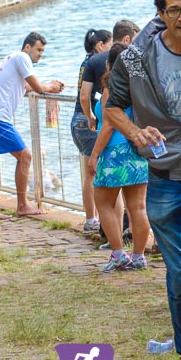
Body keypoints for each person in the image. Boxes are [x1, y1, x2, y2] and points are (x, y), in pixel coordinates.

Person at [105, 0, 181, 360]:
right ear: (160, 13)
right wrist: (136, 132)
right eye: (175, 9)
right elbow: (112, 107)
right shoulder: (136, 59)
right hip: (166, 176)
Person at [0, 32, 65, 221]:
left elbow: (25, 87)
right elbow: (38, 87)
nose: (41, 54)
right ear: (27, 47)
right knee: (25, 156)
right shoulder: (22, 57)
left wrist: (48, 86)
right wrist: (48, 86)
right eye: (38, 50)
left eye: (43, 51)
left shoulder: (12, 59)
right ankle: (22, 206)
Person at [88, 45, 149, 273]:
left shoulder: (111, 85)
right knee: (138, 206)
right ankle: (139, 256)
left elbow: (109, 125)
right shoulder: (141, 85)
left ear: (109, 64)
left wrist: (94, 155)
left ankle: (118, 254)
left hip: (114, 151)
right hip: (137, 149)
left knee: (103, 201)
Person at [71, 29, 112, 235]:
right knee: (95, 173)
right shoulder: (99, 62)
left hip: (76, 119)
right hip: (89, 119)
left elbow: (82, 94)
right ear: (101, 45)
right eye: (109, 45)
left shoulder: (86, 62)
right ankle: (98, 221)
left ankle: (91, 219)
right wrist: (91, 117)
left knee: (89, 173)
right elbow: (86, 97)